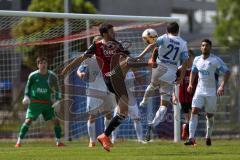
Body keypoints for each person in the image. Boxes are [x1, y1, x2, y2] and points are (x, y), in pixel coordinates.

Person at [61, 23, 136, 152]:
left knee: (120, 112)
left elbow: (129, 58)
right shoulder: (96, 47)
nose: (115, 33)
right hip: (107, 82)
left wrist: (132, 61)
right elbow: (82, 58)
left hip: (112, 82)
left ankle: (105, 137)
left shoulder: (117, 45)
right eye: (112, 31)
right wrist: (69, 67)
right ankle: (97, 138)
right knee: (100, 114)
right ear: (105, 33)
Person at [136, 22, 189, 141]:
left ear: (167, 30)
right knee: (164, 105)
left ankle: (144, 101)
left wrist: (140, 56)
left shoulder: (164, 37)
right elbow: (185, 62)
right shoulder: (183, 43)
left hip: (160, 68)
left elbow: (151, 46)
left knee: (152, 85)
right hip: (171, 72)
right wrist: (181, 77)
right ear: (178, 30)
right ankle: (152, 125)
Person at [184, 39, 230, 146]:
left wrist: (221, 86)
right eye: (203, 45)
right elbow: (193, 72)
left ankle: (208, 136)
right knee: (194, 111)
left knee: (209, 115)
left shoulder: (215, 60)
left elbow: (227, 72)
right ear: (201, 48)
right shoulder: (196, 59)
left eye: (207, 46)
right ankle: (191, 138)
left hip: (211, 92)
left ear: (210, 47)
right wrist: (190, 84)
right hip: (199, 90)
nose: (205, 47)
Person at [15, 56, 64, 147]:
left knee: (56, 121)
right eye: (41, 63)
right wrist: (26, 96)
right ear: (38, 65)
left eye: (45, 63)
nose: (43, 65)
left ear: (47, 64)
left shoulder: (52, 76)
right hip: (35, 103)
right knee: (28, 121)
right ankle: (19, 142)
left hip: (47, 103)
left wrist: (58, 100)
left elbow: (57, 89)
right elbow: (28, 87)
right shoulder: (33, 75)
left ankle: (59, 142)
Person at [77, 36, 115, 148]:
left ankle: (106, 138)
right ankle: (92, 141)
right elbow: (79, 70)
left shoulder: (108, 57)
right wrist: (81, 75)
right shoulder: (89, 59)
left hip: (106, 89)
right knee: (92, 116)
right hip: (93, 90)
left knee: (108, 115)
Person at [111, 70, 146, 144]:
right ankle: (113, 139)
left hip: (132, 100)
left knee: (137, 119)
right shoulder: (115, 71)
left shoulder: (131, 72)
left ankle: (140, 139)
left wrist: (138, 89)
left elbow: (137, 83)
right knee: (116, 119)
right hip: (121, 100)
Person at [172, 49, 198, 140]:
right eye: (185, 56)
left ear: (193, 57)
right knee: (189, 118)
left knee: (192, 117)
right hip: (182, 96)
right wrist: (174, 95)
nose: (187, 58)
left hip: (194, 96)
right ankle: (188, 132)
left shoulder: (196, 70)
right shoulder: (179, 70)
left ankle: (189, 134)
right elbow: (173, 84)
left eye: (189, 56)